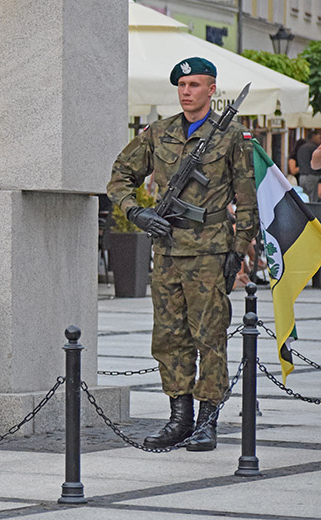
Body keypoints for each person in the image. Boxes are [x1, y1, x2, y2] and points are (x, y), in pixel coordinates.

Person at [107, 57, 259, 451]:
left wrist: (238, 252)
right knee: (169, 338)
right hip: (167, 251)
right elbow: (120, 176)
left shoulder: (232, 136)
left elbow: (247, 200)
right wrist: (136, 212)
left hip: (210, 252)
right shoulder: (159, 132)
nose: (186, 91)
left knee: (210, 338)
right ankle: (179, 418)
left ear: (212, 89)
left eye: (194, 84)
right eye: (182, 85)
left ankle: (207, 421)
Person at [298, 130, 321, 202]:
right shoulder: (314, 148)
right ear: (313, 137)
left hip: (302, 176)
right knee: (313, 199)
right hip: (312, 176)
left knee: (304, 199)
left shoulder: (301, 148)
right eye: (319, 138)